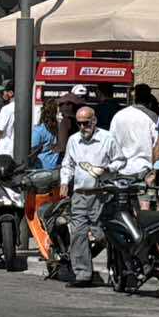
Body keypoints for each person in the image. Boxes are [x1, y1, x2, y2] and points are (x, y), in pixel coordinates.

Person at [58, 105, 117, 287]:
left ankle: (113, 266)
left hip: (101, 195)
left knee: (101, 234)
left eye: (86, 123)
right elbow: (68, 164)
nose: (83, 127)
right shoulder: (74, 140)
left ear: (94, 121)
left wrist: (107, 169)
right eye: (80, 124)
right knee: (78, 234)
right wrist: (64, 182)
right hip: (80, 194)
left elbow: (120, 161)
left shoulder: (107, 138)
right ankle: (83, 274)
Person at [108, 85, 159, 176]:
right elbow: (157, 144)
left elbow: (110, 142)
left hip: (120, 169)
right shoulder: (152, 117)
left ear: (134, 97)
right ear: (149, 99)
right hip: (143, 169)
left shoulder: (118, 115)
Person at [31, 102, 61, 172]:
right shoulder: (39, 131)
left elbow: (32, 152)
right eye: (58, 113)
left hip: (46, 168)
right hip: (48, 169)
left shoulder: (38, 131)